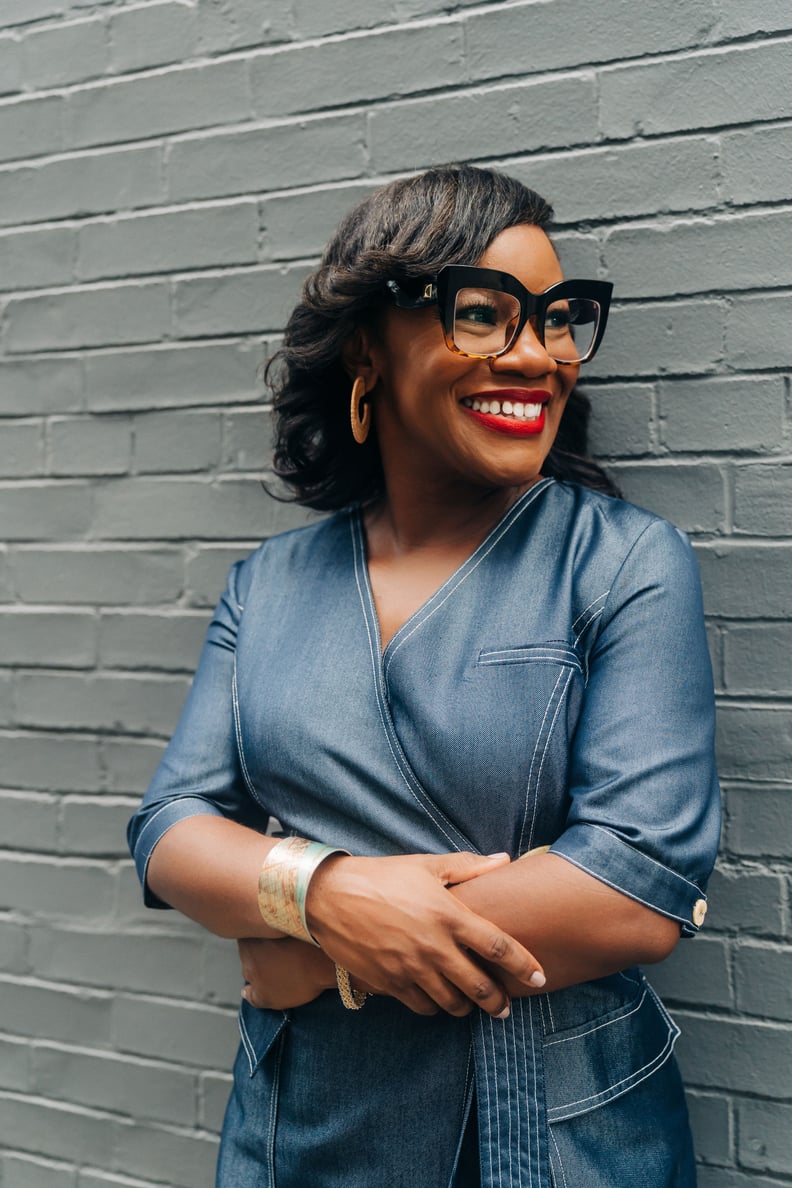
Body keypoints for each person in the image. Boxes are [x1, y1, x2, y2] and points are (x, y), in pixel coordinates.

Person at [127, 164, 720, 1188]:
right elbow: (174, 826)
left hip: (555, 1139)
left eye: (559, 318)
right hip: (301, 1134)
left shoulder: (621, 562)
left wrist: (317, 957)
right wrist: (324, 891)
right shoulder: (270, 585)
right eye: (483, 315)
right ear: (370, 345)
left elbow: (633, 888)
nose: (536, 355)